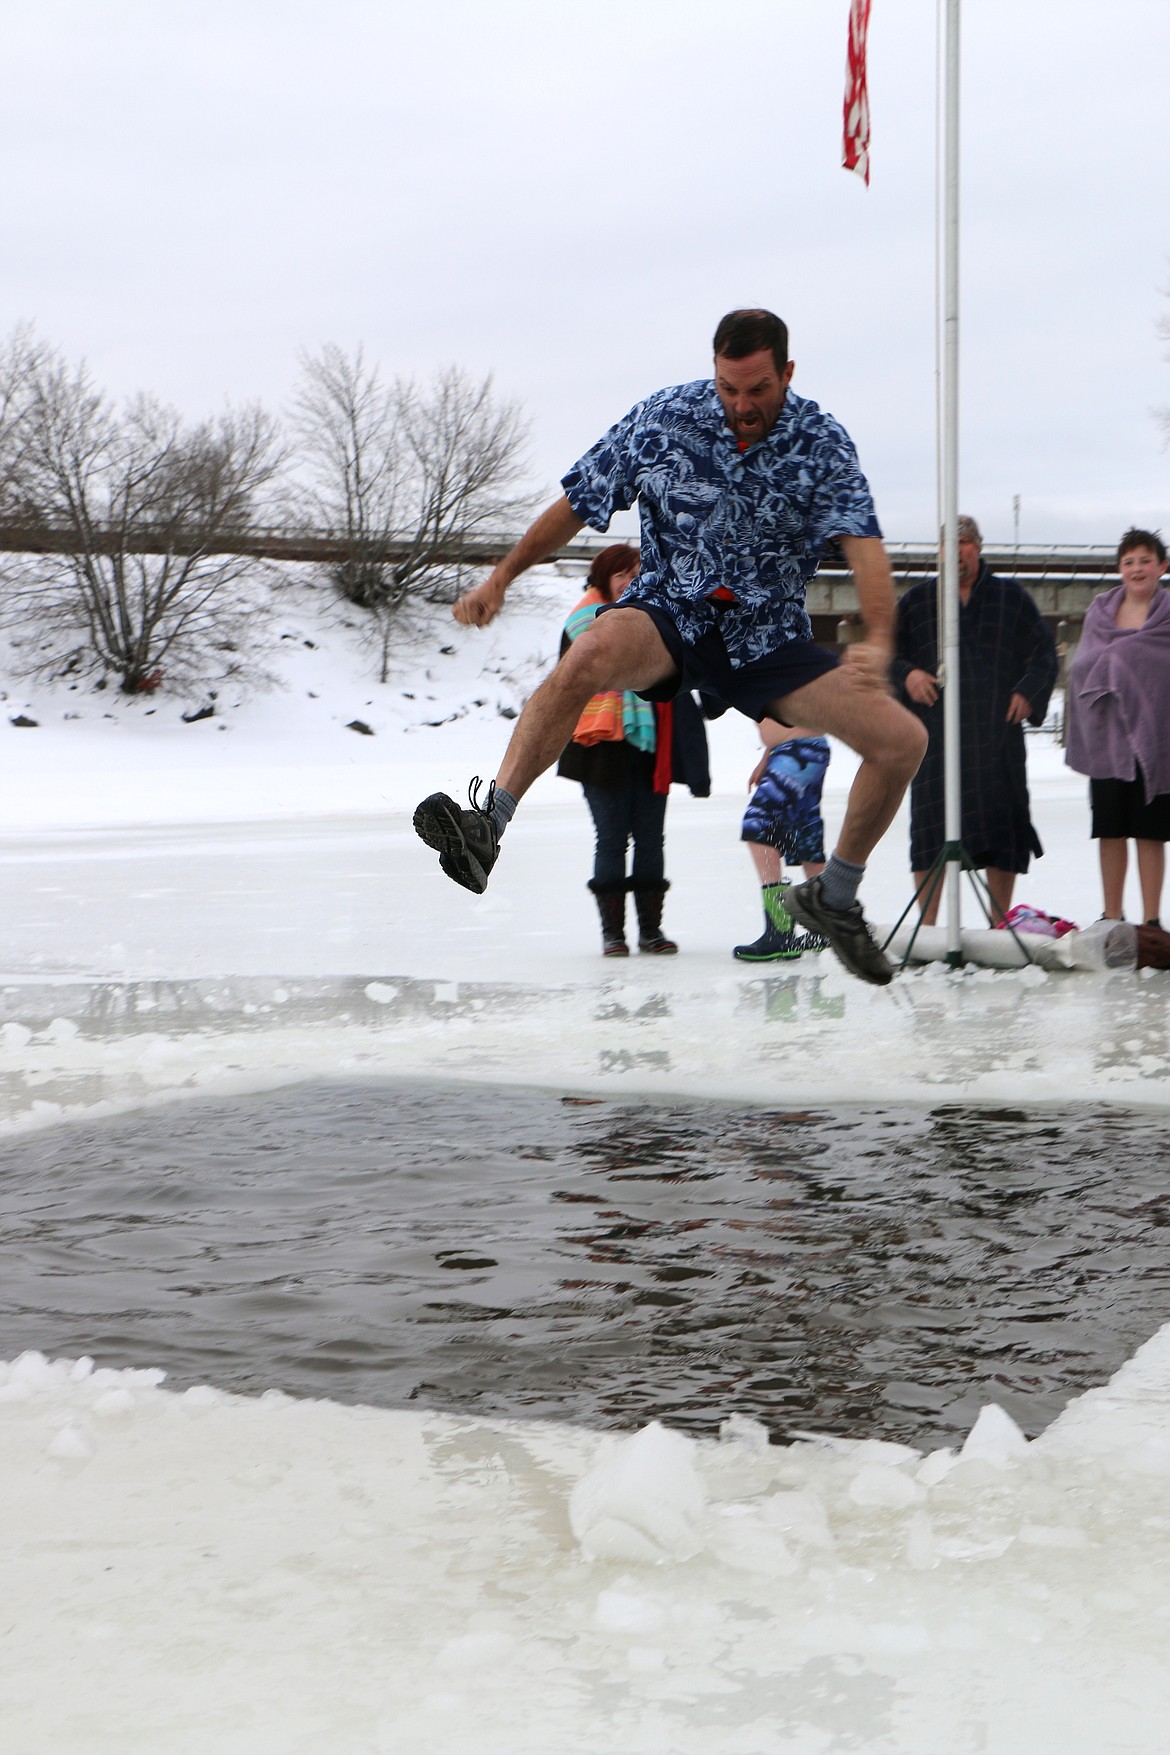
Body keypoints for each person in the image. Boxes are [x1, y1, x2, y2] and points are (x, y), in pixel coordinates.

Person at [414, 308, 927, 986]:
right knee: (590, 654)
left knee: (903, 741)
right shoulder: (663, 418)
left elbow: (864, 543)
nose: (743, 406)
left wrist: (881, 637)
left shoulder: (821, 441)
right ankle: (489, 826)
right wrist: (501, 577)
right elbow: (576, 501)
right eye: (729, 388)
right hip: (670, 611)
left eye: (759, 390)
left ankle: (833, 897)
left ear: (788, 373)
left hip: (766, 637)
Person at [892, 514, 1058, 924]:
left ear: (978, 548)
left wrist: (1027, 691)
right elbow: (886, 656)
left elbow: (1043, 654)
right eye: (949, 545)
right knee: (931, 831)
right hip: (935, 740)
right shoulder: (916, 602)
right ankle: (928, 928)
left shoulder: (1011, 598)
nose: (958, 552)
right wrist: (907, 675)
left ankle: (999, 923)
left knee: (1002, 828)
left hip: (995, 736)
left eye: (965, 543)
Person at [556, 542, 711, 955]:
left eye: (635, 573)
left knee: (650, 839)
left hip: (649, 745)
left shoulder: (654, 620)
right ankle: (613, 934)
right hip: (599, 746)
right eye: (621, 574)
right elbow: (565, 689)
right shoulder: (581, 624)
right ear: (604, 579)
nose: (629, 581)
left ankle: (651, 932)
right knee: (611, 839)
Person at [1065, 528, 1170, 928]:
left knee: (1150, 833)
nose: (1137, 568)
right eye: (1129, 562)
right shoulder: (1100, 613)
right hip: (1108, 741)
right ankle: (1112, 916)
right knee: (1110, 831)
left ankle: (1152, 921)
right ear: (1119, 569)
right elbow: (1082, 668)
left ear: (1161, 566)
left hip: (1156, 742)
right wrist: (1119, 662)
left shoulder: (1167, 615)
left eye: (1145, 560)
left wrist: (1122, 660)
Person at [733, 718, 831, 961]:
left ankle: (780, 931)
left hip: (797, 749)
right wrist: (768, 755)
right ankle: (825, 926)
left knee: (758, 821)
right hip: (802, 748)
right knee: (805, 829)